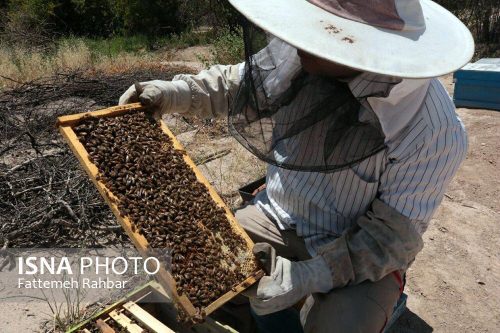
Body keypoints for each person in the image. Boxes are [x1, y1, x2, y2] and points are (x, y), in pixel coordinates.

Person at [119, 0, 474, 332]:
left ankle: (380, 305)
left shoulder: (432, 131)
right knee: (193, 267)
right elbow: (240, 83)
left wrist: (309, 276)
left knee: (340, 325)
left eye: (320, 31)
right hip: (276, 215)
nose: (302, 38)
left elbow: (391, 238)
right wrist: (175, 92)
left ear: (363, 47)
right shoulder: (299, 53)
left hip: (352, 247)